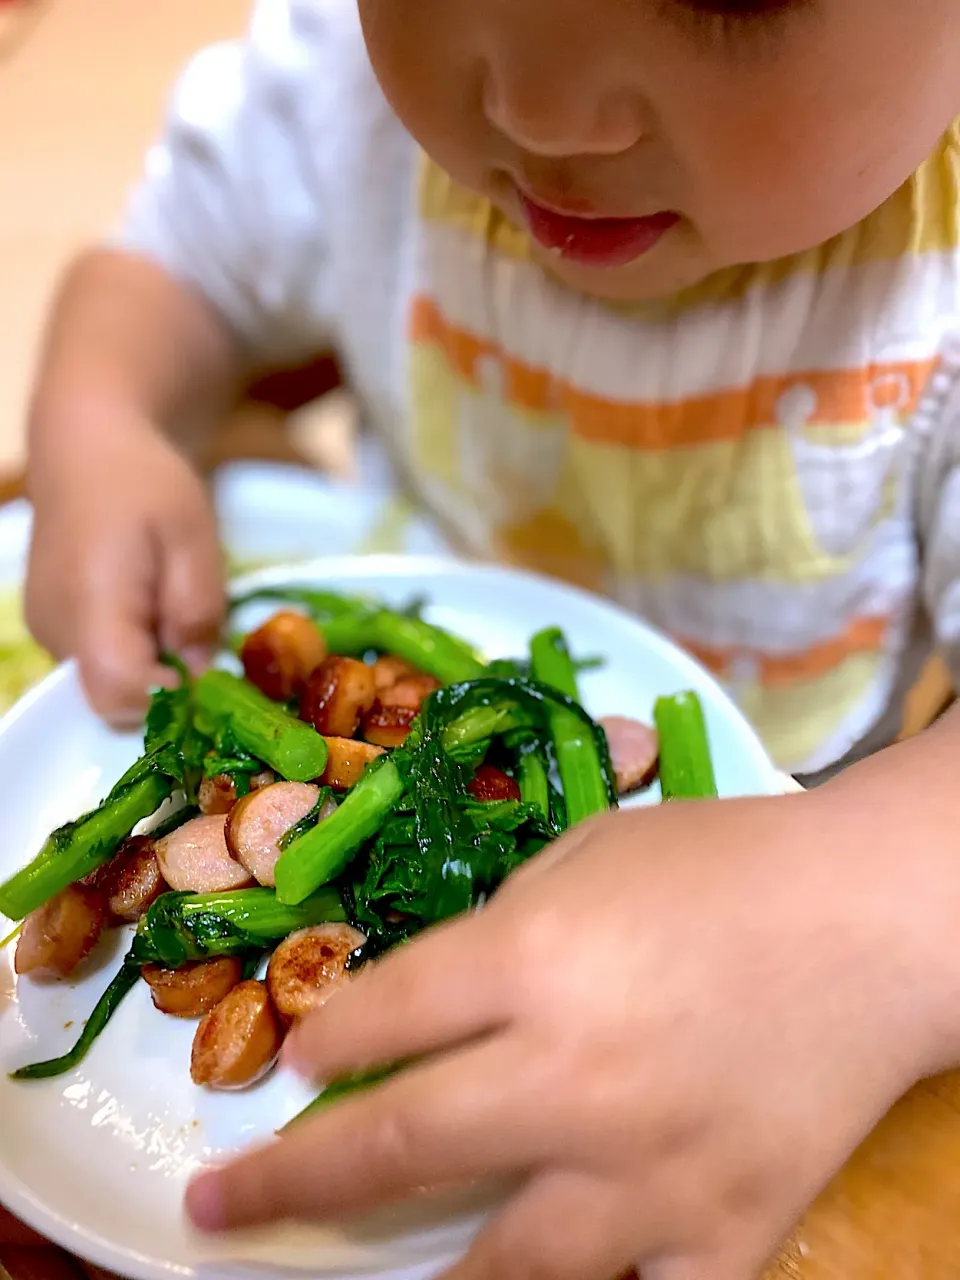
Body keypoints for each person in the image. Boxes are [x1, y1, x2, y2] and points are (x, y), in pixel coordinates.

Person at [16, 0, 960, 1275]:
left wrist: (872, 912)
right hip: (434, 714)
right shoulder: (340, 94)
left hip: (800, 953)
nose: (541, 112)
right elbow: (173, 261)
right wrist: (103, 422)